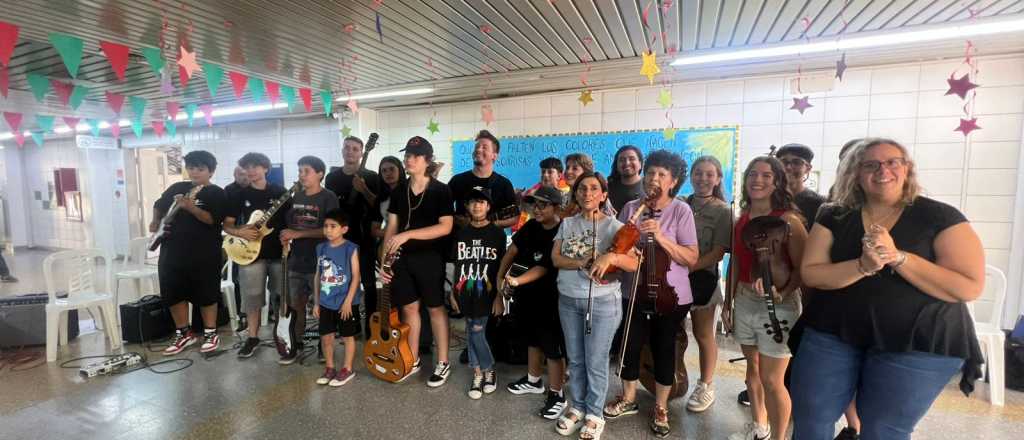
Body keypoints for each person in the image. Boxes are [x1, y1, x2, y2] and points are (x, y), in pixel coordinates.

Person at [791, 138, 985, 440]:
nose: (882, 170)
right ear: (856, 173)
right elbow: (812, 273)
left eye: (892, 162)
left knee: (884, 429)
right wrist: (862, 266)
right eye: (871, 164)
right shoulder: (833, 215)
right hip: (834, 331)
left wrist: (898, 258)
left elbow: (968, 286)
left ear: (907, 169)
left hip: (917, 340)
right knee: (811, 417)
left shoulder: (939, 216)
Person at [603, 150, 698, 438]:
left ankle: (661, 406)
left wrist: (661, 237)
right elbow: (619, 248)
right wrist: (627, 243)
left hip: (671, 295)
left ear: (673, 181)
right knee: (629, 345)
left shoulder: (681, 210)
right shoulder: (632, 207)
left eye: (662, 174)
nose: (654, 178)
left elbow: (691, 257)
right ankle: (628, 397)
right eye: (651, 173)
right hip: (633, 290)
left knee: (664, 349)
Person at [724, 156, 807, 440]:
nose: (757, 180)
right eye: (752, 174)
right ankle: (760, 427)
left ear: (777, 182)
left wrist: (782, 292)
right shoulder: (742, 220)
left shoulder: (789, 220)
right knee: (753, 371)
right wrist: (728, 302)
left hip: (779, 304)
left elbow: (802, 268)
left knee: (772, 380)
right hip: (745, 299)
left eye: (766, 175)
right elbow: (736, 262)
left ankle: (779, 437)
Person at [552, 172, 639, 440]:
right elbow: (556, 259)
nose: (587, 193)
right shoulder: (567, 224)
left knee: (596, 360)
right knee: (576, 359)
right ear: (575, 194)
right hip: (568, 300)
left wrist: (610, 257)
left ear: (603, 195)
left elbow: (633, 263)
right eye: (582, 189)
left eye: (593, 189)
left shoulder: (616, 226)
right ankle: (577, 406)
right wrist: (582, 262)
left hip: (602, 304)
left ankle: (594, 413)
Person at [381, 136, 455, 387]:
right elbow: (391, 227)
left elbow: (445, 227)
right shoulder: (399, 190)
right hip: (402, 259)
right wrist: (385, 262)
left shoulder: (440, 190)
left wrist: (409, 234)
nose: (409, 160)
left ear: (427, 160)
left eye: (415, 156)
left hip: (430, 258)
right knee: (409, 308)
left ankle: (442, 362)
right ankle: (412, 359)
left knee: (435, 308)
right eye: (407, 155)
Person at [149, 150, 228, 356]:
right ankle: (183, 333)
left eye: (200, 169)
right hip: (172, 251)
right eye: (191, 168)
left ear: (211, 171)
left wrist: (191, 208)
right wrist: (155, 221)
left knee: (206, 292)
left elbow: (213, 220)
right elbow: (159, 205)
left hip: (204, 253)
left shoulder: (216, 193)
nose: (195, 172)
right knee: (174, 291)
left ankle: (210, 333)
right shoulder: (178, 188)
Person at [500, 186, 568, 419]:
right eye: (534, 205)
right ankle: (533, 380)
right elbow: (511, 252)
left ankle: (557, 394)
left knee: (552, 347)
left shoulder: (562, 230)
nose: (537, 209)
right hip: (526, 296)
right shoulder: (530, 226)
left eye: (543, 205)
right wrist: (500, 277)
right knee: (532, 339)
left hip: (550, 298)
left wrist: (516, 281)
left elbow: (543, 267)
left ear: (556, 207)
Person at [222, 153, 289, 358]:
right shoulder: (239, 194)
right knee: (252, 297)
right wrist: (240, 232)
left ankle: (282, 335)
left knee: (281, 296)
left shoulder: (280, 192)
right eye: (247, 167)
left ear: (265, 168)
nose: (250, 171)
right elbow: (227, 225)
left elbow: (290, 221)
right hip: (250, 254)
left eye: (255, 167)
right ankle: (252, 337)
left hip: (278, 252)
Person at [683, 156, 733, 413]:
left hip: (702, 278)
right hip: (673, 279)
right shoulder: (680, 204)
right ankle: (673, 377)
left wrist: (687, 268)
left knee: (703, 335)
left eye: (709, 174)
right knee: (673, 333)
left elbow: (717, 252)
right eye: (698, 173)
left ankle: (706, 385)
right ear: (691, 176)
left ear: (718, 178)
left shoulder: (723, 211)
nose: (703, 178)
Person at [279, 156, 339, 365]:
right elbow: (289, 226)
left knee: (323, 306)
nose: (302, 175)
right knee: (296, 305)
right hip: (297, 260)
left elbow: (331, 229)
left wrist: (298, 234)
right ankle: (295, 344)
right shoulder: (295, 197)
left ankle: (325, 346)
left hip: (321, 261)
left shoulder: (328, 197)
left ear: (320, 174)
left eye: (306, 171)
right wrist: (286, 236)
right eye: (300, 171)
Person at [450, 188, 506, 399]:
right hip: (465, 291)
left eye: (481, 202)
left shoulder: (497, 234)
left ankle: (488, 369)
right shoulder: (461, 233)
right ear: (467, 206)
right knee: (471, 331)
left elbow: (501, 268)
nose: (477, 206)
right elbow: (458, 265)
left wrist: (500, 296)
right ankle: (478, 374)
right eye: (473, 202)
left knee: (476, 331)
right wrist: (453, 293)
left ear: (488, 207)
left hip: (487, 292)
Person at [325, 136, 381, 338]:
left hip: (364, 237)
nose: (350, 151)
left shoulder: (372, 177)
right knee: (346, 283)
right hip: (340, 240)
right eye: (347, 148)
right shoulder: (332, 178)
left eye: (355, 149)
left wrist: (363, 189)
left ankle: (372, 329)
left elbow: (378, 207)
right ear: (342, 150)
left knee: (369, 283)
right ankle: (352, 326)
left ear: (362, 152)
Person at [313, 209, 362, 387]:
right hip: (326, 301)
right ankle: (330, 367)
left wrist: (348, 301)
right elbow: (317, 275)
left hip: (346, 302)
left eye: (333, 226)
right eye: (326, 226)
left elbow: (356, 276)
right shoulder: (321, 248)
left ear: (344, 229)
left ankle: (347, 369)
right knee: (326, 337)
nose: (328, 230)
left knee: (347, 336)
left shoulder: (350, 248)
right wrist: (317, 302)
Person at [448, 130, 518, 228]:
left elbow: (514, 217)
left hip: (492, 237)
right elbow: (442, 210)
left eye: (484, 147)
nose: (478, 150)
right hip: (461, 236)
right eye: (476, 147)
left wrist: (490, 225)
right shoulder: (457, 180)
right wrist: (456, 221)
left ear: (494, 156)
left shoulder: (504, 184)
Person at [514, 157, 571, 231]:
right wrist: (517, 199)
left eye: (550, 172)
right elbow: (519, 212)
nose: (545, 175)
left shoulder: (566, 197)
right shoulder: (531, 197)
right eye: (543, 172)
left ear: (559, 176)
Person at [776, 143, 825, 231]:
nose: (788, 167)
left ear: (808, 168)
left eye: (796, 162)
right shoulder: (769, 198)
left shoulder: (819, 203)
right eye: (784, 162)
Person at [370, 156, 406, 240]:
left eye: (392, 169)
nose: (388, 173)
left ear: (400, 170)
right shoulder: (380, 199)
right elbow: (374, 231)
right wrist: (391, 233)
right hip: (389, 240)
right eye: (384, 171)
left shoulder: (410, 191)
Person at [607, 145, 645, 213]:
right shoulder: (608, 189)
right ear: (616, 165)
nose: (627, 163)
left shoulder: (650, 187)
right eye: (622, 160)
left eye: (632, 159)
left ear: (640, 163)